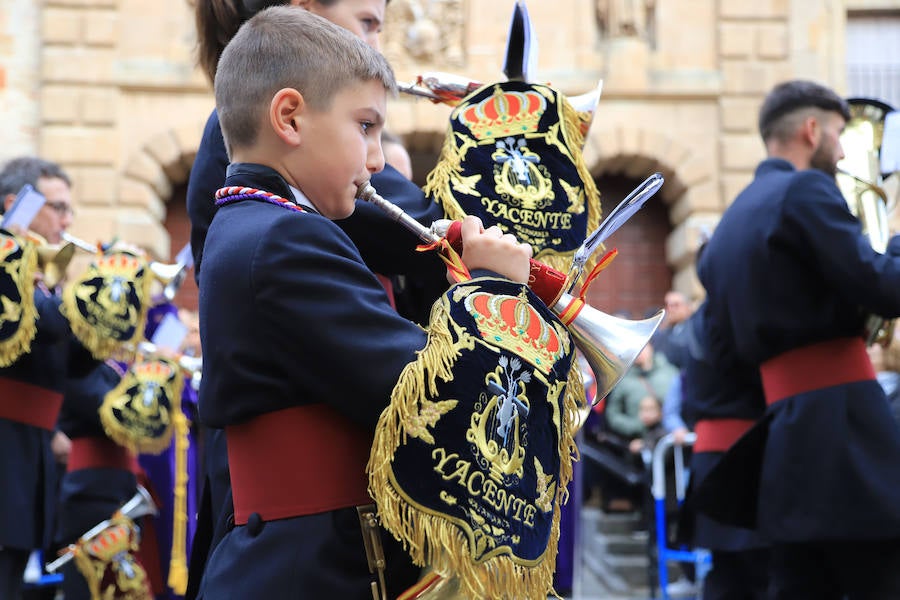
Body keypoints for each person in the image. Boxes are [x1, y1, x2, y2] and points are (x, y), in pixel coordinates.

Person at [194, 8, 532, 598]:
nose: (376, 159)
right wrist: (489, 292)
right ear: (290, 118)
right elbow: (430, 395)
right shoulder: (285, 237)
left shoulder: (267, 225)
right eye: (365, 126)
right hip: (308, 568)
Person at [696, 79, 900, 598]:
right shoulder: (805, 189)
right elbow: (878, 285)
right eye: (838, 133)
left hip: (784, 437)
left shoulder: (727, 228)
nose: (840, 146)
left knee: (800, 583)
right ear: (812, 131)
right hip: (846, 425)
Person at [0, 157, 95, 598]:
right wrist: (91, 305)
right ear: (15, 205)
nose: (67, 220)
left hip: (30, 453)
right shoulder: (8, 269)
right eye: (57, 207)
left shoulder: (41, 275)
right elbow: (44, 327)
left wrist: (106, 329)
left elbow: (70, 365)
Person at [679, 302, 770, 600]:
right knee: (758, 572)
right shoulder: (738, 314)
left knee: (726, 569)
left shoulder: (696, 322)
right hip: (746, 455)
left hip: (711, 457)